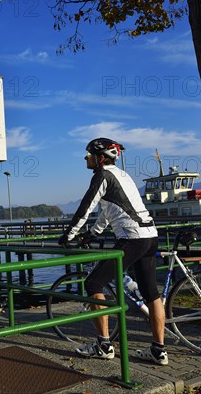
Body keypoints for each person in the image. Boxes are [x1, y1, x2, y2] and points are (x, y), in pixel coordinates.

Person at [58, 138, 168, 366]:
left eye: (89, 154)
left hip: (132, 237)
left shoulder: (101, 176)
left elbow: (85, 208)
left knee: (93, 284)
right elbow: (108, 211)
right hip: (150, 235)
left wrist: (68, 235)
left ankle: (103, 345)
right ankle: (158, 351)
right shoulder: (122, 175)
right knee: (151, 293)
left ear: (100, 158)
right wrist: (93, 234)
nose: (86, 158)